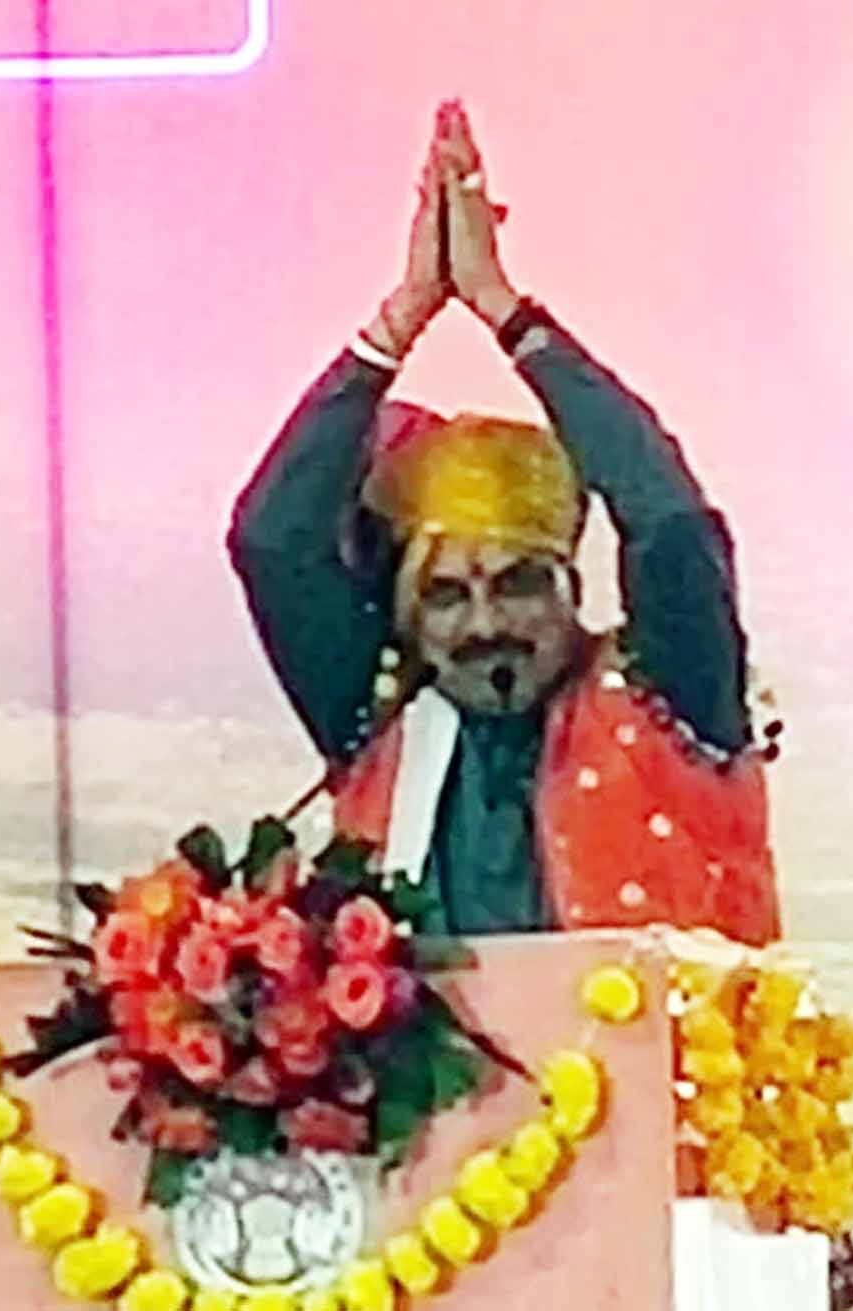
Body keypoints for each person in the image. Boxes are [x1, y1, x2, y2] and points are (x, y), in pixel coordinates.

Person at [229, 101, 780, 946]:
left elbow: (669, 527)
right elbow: (273, 542)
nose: (486, 624)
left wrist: (504, 310)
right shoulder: (381, 719)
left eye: (518, 583)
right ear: (410, 616)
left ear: (571, 588)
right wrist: (403, 315)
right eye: (447, 595)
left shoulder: (672, 695)